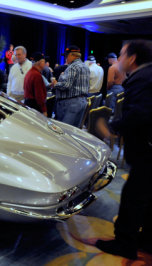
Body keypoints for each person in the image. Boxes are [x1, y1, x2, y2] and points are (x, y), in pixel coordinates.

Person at [95, 39, 152, 260]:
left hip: (146, 153)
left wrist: (112, 127)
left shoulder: (142, 79)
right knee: (147, 198)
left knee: (133, 198)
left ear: (132, 58)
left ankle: (125, 244)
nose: (118, 60)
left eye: (121, 55)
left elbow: (140, 114)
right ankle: (147, 241)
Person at [52, 45, 90, 127]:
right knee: (74, 131)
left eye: (67, 55)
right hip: (81, 102)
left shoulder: (72, 67)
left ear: (73, 55)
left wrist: (55, 84)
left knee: (64, 130)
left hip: (71, 103)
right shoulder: (85, 67)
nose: (66, 58)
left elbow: (66, 85)